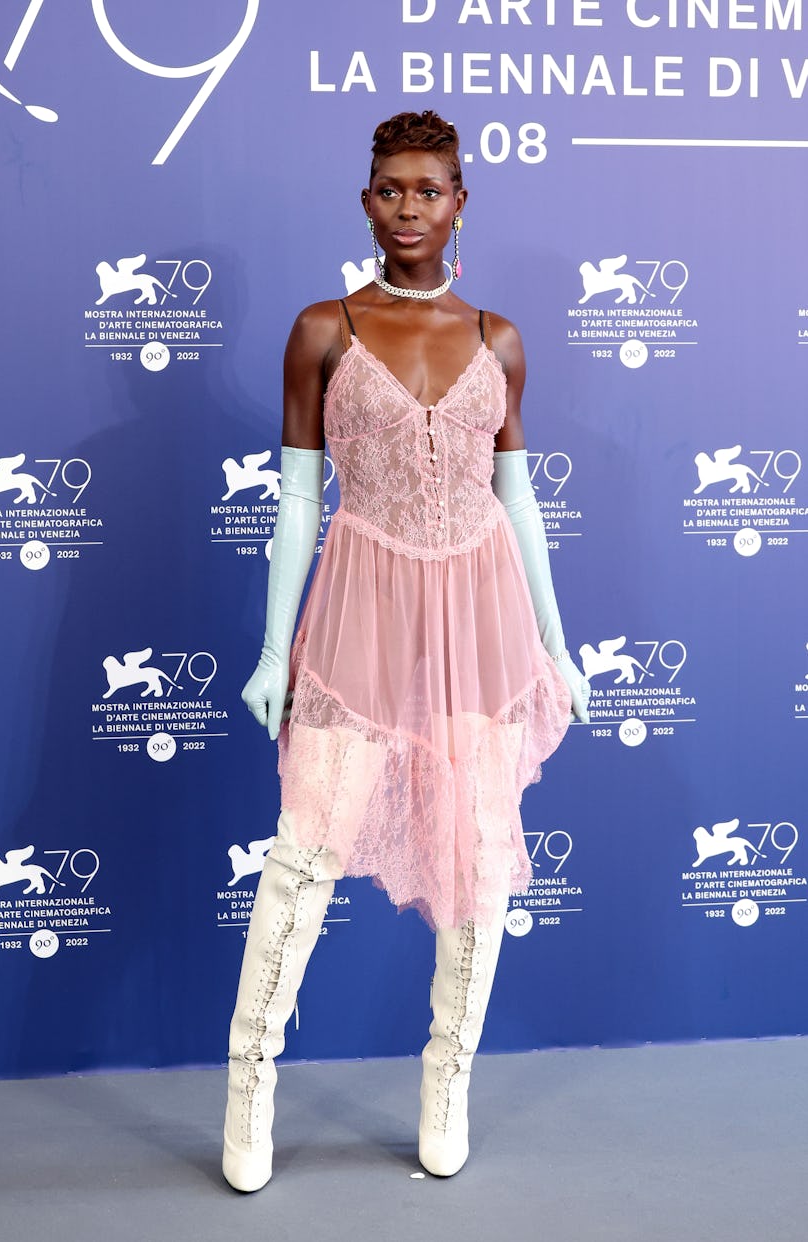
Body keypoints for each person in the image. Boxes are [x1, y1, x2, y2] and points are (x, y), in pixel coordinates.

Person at [223, 110, 590, 1193]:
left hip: (479, 619)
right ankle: (249, 1085)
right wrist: (273, 651)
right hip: (361, 609)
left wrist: (556, 644)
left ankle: (448, 1083)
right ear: (367, 200)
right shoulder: (322, 330)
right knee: (304, 856)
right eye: (391, 188)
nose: (409, 207)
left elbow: (517, 504)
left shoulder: (500, 340)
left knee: (478, 861)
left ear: (461, 202)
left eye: (430, 189)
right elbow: (297, 503)